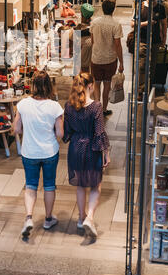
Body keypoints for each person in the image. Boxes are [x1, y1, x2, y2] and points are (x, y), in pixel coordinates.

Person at [13, 71, 64, 238]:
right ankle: (48, 219)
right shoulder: (55, 107)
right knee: (49, 185)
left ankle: (29, 218)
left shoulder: (23, 105)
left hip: (29, 151)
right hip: (50, 151)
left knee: (30, 186)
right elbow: (60, 133)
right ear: (49, 86)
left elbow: (17, 129)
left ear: (33, 85)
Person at [64, 72, 110, 240]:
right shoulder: (96, 106)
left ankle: (80, 218)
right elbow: (99, 132)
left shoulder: (69, 106)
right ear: (91, 85)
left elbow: (67, 132)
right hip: (92, 148)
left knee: (81, 185)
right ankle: (90, 217)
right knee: (96, 185)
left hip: (75, 147)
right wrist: (106, 152)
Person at [90, 0, 124, 116]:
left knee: (96, 84)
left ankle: (96, 110)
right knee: (107, 85)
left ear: (102, 8)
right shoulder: (116, 24)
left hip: (96, 58)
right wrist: (121, 63)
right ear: (113, 10)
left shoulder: (94, 22)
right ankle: (104, 109)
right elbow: (118, 45)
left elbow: (93, 40)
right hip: (110, 59)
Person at [131, 0, 167, 99]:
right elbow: (133, 24)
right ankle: (140, 91)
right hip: (142, 41)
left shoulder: (161, 8)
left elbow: (164, 24)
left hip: (155, 42)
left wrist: (163, 40)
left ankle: (148, 89)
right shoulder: (141, 7)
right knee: (142, 66)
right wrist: (146, 23)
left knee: (153, 66)